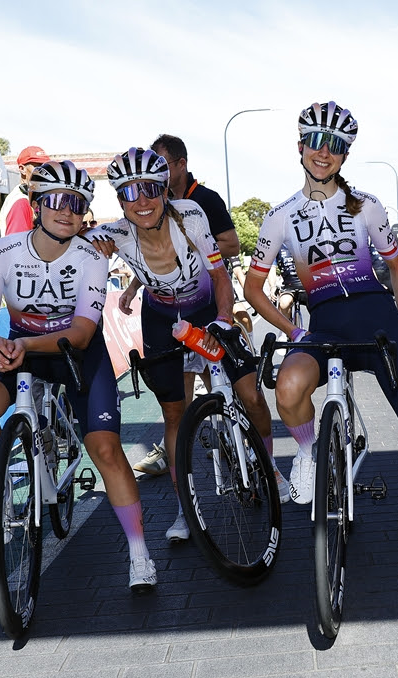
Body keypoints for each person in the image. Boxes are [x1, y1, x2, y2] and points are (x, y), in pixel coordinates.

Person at [242, 100, 398, 594]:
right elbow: (253, 288)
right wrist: (293, 331)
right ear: (300, 147)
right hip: (323, 329)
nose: (324, 152)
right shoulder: (280, 217)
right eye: (317, 142)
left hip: (380, 326)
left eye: (336, 146)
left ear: (345, 155)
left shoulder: (367, 205)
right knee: (288, 387)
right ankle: (308, 452)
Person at [0, 161, 157, 592]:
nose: (68, 211)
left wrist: (23, 345)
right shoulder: (0, 254)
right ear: (36, 204)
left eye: (78, 204)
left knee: (105, 449)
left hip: (76, 353)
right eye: (57, 201)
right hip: (20, 347)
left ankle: (140, 551)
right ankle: (1, 501)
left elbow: (83, 334)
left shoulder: (91, 256)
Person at [90, 147, 285, 543]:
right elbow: (67, 243)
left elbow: (220, 275)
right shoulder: (115, 234)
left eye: (149, 188)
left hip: (206, 306)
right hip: (161, 318)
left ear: (165, 190)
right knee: (174, 414)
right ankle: (185, 506)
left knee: (250, 394)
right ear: (120, 200)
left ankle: (270, 467)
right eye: (129, 192)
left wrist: (223, 319)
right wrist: (92, 248)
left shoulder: (191, 215)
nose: (141, 200)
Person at [131, 134, 244, 476]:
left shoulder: (204, 200)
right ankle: (172, 452)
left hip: (205, 299)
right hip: (168, 311)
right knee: (176, 395)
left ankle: (239, 444)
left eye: (162, 165)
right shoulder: (147, 203)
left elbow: (233, 245)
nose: (156, 172)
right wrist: (134, 285)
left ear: (181, 164)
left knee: (218, 380)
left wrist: (190, 247)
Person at [0, 146, 51, 236]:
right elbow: (17, 242)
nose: (43, 172)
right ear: (22, 169)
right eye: (38, 167)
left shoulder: (28, 197)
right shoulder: (21, 202)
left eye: (45, 168)